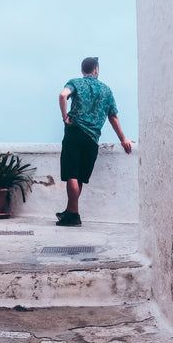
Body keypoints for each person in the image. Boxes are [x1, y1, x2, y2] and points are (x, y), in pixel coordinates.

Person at [57, 56, 133, 227]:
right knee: (80, 176)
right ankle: (70, 211)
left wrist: (65, 117)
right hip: (92, 138)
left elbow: (63, 95)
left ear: (82, 70)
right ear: (96, 69)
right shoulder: (106, 90)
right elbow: (113, 116)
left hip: (75, 132)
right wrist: (123, 139)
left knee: (72, 174)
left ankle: (74, 214)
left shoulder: (75, 82)